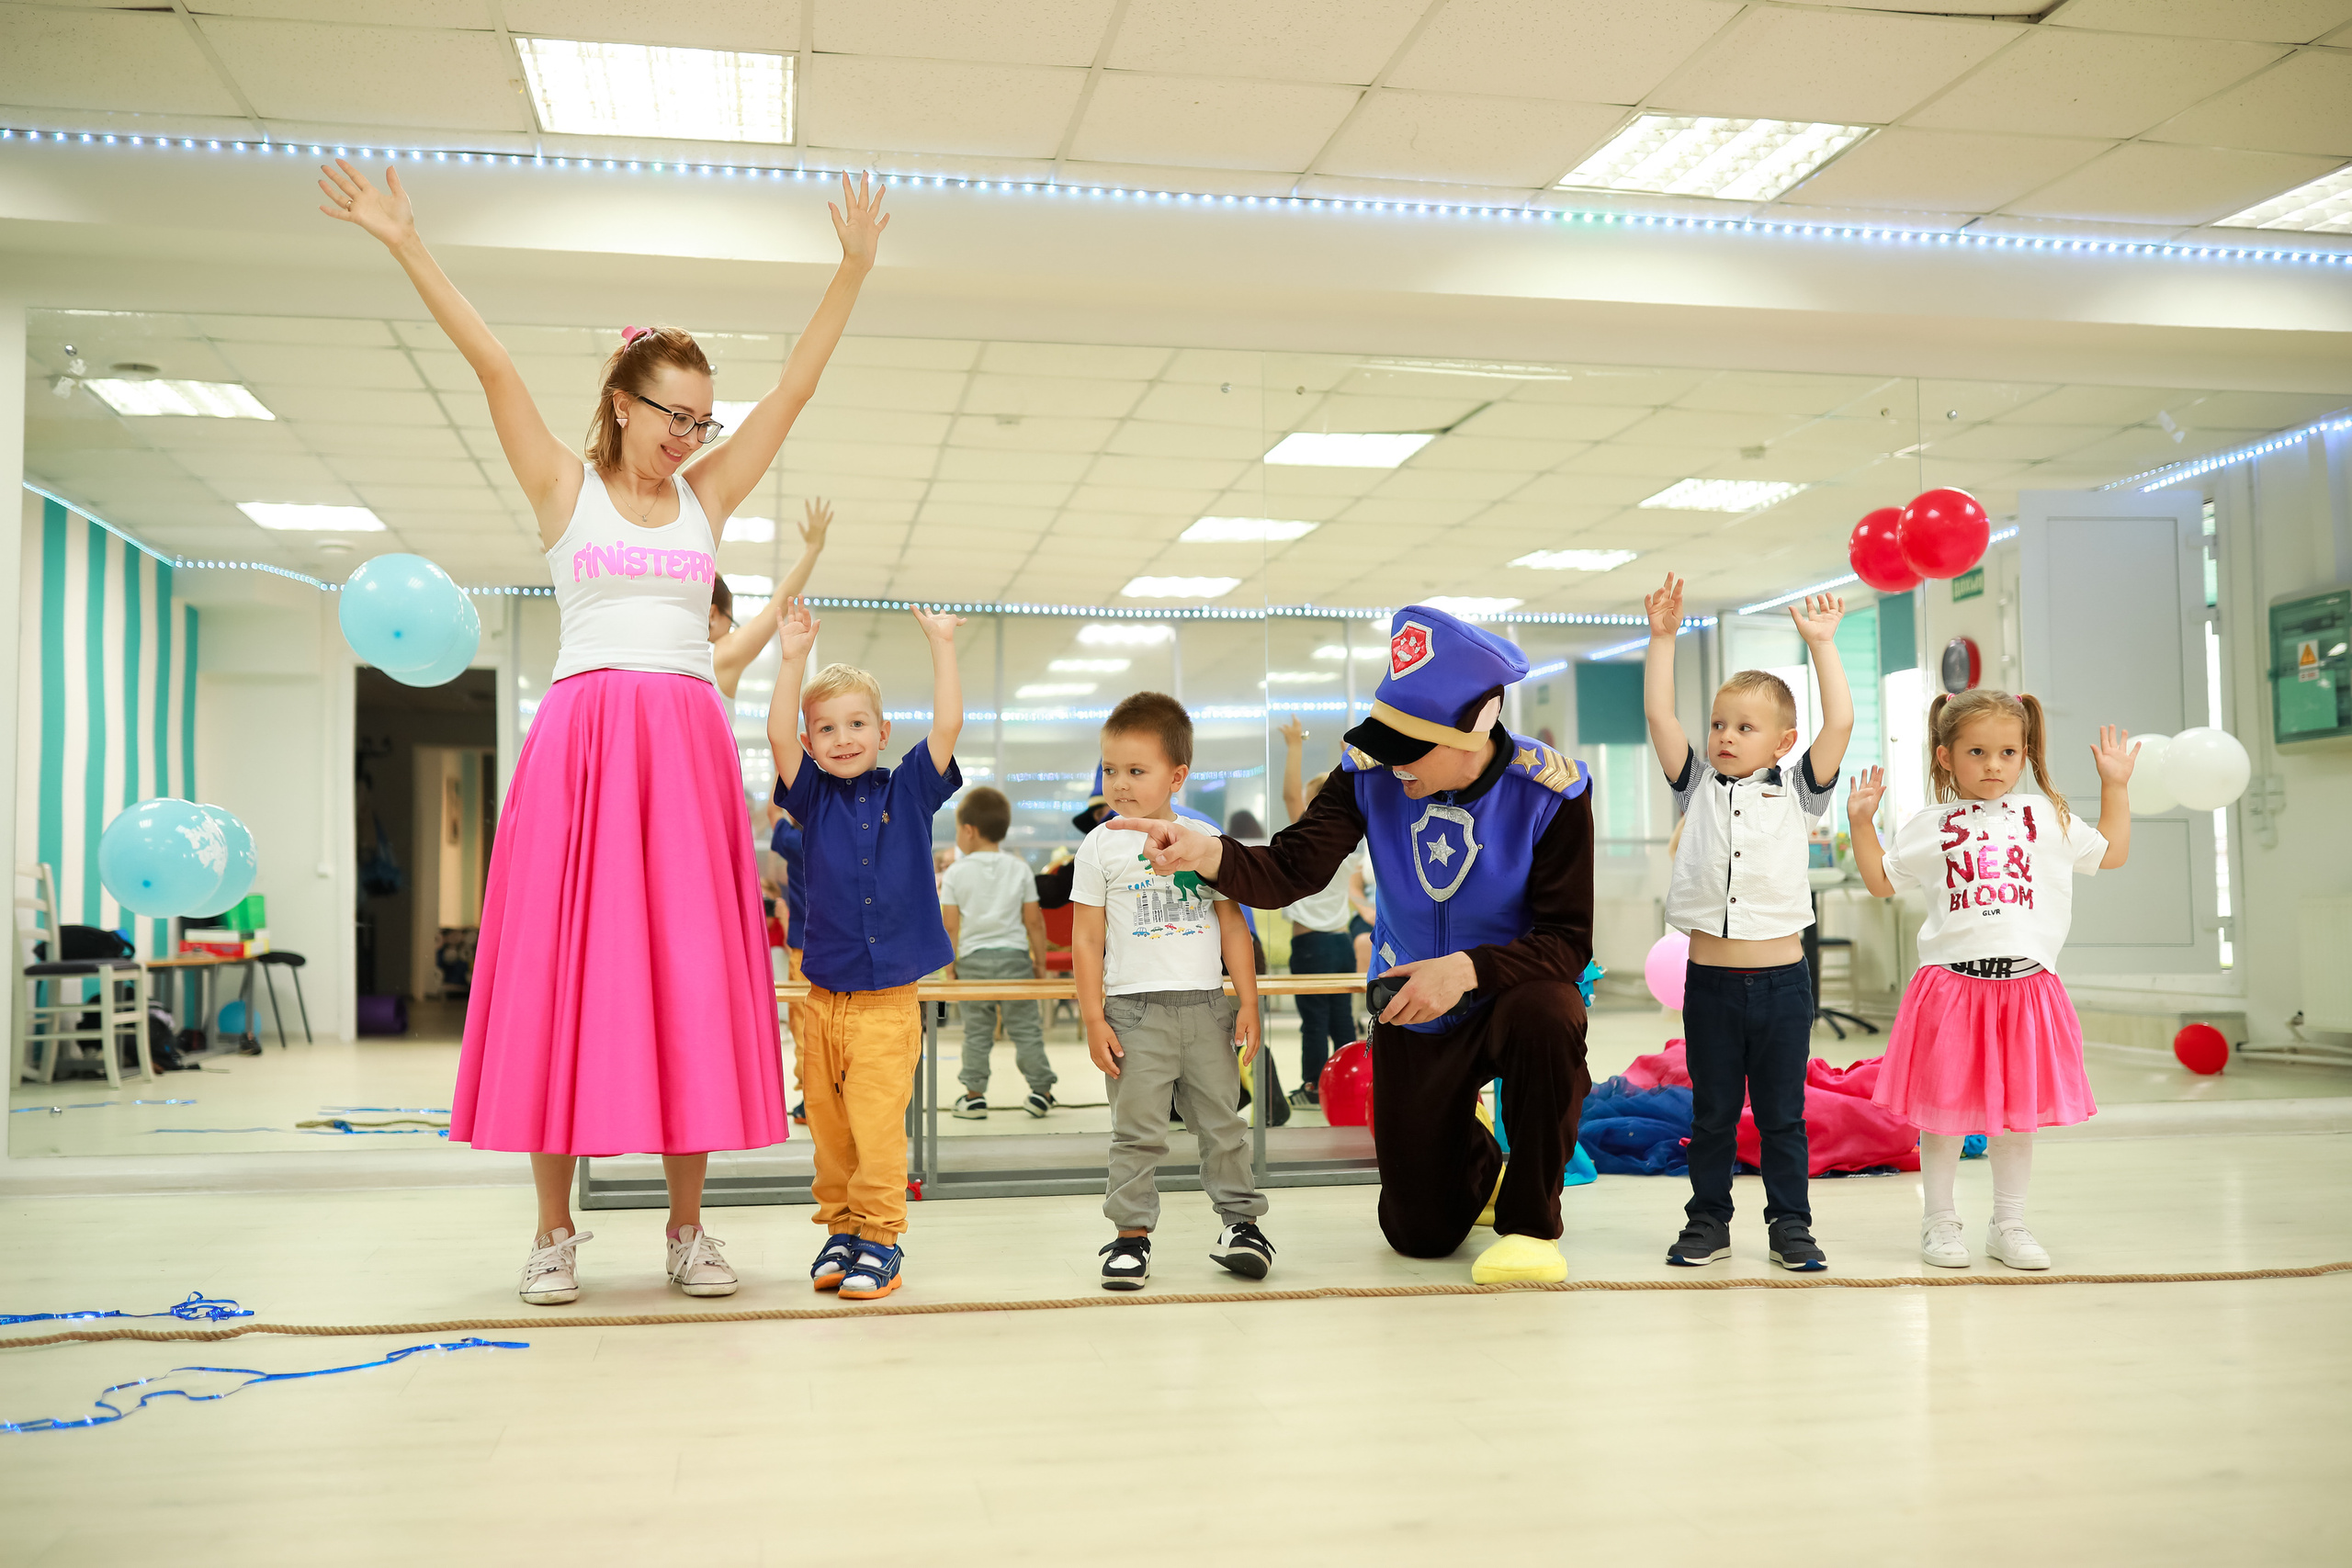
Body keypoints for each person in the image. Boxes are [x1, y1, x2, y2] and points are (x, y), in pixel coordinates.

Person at [319, 155, 889, 1306]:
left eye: (701, 418)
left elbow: (793, 393)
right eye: (674, 413)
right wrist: (405, 241)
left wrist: (853, 270)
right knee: (564, 978)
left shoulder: (705, 498)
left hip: (681, 747)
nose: (689, 433)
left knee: (686, 977)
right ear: (623, 401)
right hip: (583, 745)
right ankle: (553, 1234)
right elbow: (491, 362)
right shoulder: (561, 489)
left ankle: (688, 1230)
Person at [1115, 605, 1594, 1285]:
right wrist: (1210, 853)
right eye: (1386, 742)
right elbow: (1291, 868)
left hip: (1510, 995)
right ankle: (1480, 1165)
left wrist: (1465, 970)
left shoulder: (1550, 793)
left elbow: (1567, 942)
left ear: (1475, 728)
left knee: (1551, 1013)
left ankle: (1531, 1223)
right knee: (1418, 1233)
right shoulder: (1368, 776)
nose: (1394, 763)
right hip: (1411, 1008)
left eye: (1410, 747)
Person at [1846, 693, 2135, 1271]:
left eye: (2008, 752)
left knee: (2015, 1118)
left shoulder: (2047, 816)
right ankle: (1939, 1222)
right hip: (1951, 990)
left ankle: (2010, 1224)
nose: (1994, 765)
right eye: (1977, 752)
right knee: (1943, 1117)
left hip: (2026, 991)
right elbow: (1881, 881)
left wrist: (2115, 785)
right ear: (1946, 757)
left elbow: (2112, 854)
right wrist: (1860, 823)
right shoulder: (1928, 825)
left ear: (2025, 754)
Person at [1643, 572, 1852, 1273]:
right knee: (1711, 1113)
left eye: (1744, 727)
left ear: (1783, 741)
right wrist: (1663, 639)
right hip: (1710, 985)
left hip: (1783, 986)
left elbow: (1840, 724)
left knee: (1782, 1115)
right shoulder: (1696, 785)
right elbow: (1660, 716)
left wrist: (1822, 645)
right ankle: (1708, 1220)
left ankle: (1791, 1224)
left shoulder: (1799, 792)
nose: (1726, 736)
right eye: (1719, 724)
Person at [767, 596, 965, 1302]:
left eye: (857, 724)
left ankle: (880, 1237)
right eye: (826, 728)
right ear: (811, 740)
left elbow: (947, 725)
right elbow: (777, 735)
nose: (842, 738)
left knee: (877, 1129)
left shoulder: (909, 790)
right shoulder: (812, 799)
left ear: (882, 732)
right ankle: (843, 1228)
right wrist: (793, 660)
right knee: (828, 1129)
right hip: (822, 1002)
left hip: (886, 1006)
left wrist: (942, 645)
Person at [1075, 694, 1272, 1291]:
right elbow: (1087, 939)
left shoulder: (1205, 839)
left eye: (1136, 770)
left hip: (1207, 1008)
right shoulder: (1098, 845)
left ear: (1177, 776)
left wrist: (1248, 1002)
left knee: (1223, 1126)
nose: (1119, 783)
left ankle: (1243, 1227)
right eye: (1110, 769)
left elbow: (1233, 926)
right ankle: (1130, 1236)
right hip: (1132, 1012)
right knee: (1136, 1132)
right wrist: (1093, 1018)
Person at [941, 785, 1055, 1121]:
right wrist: (1040, 964)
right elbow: (1034, 922)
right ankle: (1041, 1092)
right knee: (1026, 1029)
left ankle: (974, 1097)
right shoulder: (1019, 868)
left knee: (976, 1031)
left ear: (969, 830)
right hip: (1015, 959)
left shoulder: (956, 873)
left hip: (973, 962)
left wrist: (950, 968)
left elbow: (950, 927)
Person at [1276, 715, 1362, 1107]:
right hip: (1340, 945)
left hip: (1312, 947)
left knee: (1314, 1021)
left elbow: (1289, 796)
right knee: (1341, 1019)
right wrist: (1351, 760)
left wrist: (1295, 746)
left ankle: (1312, 1086)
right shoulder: (1350, 843)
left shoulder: (1310, 838)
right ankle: (1349, 1087)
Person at [709, 497, 833, 701]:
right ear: (713, 614)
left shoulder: (665, 653)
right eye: (730, 621)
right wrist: (813, 549)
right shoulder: (719, 655)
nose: (731, 632)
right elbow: (782, 601)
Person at [770, 807, 815, 1125]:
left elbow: (773, 811)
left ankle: (811, 1098)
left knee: (804, 1027)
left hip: (805, 952)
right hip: (844, 950)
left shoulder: (796, 841)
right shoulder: (841, 837)